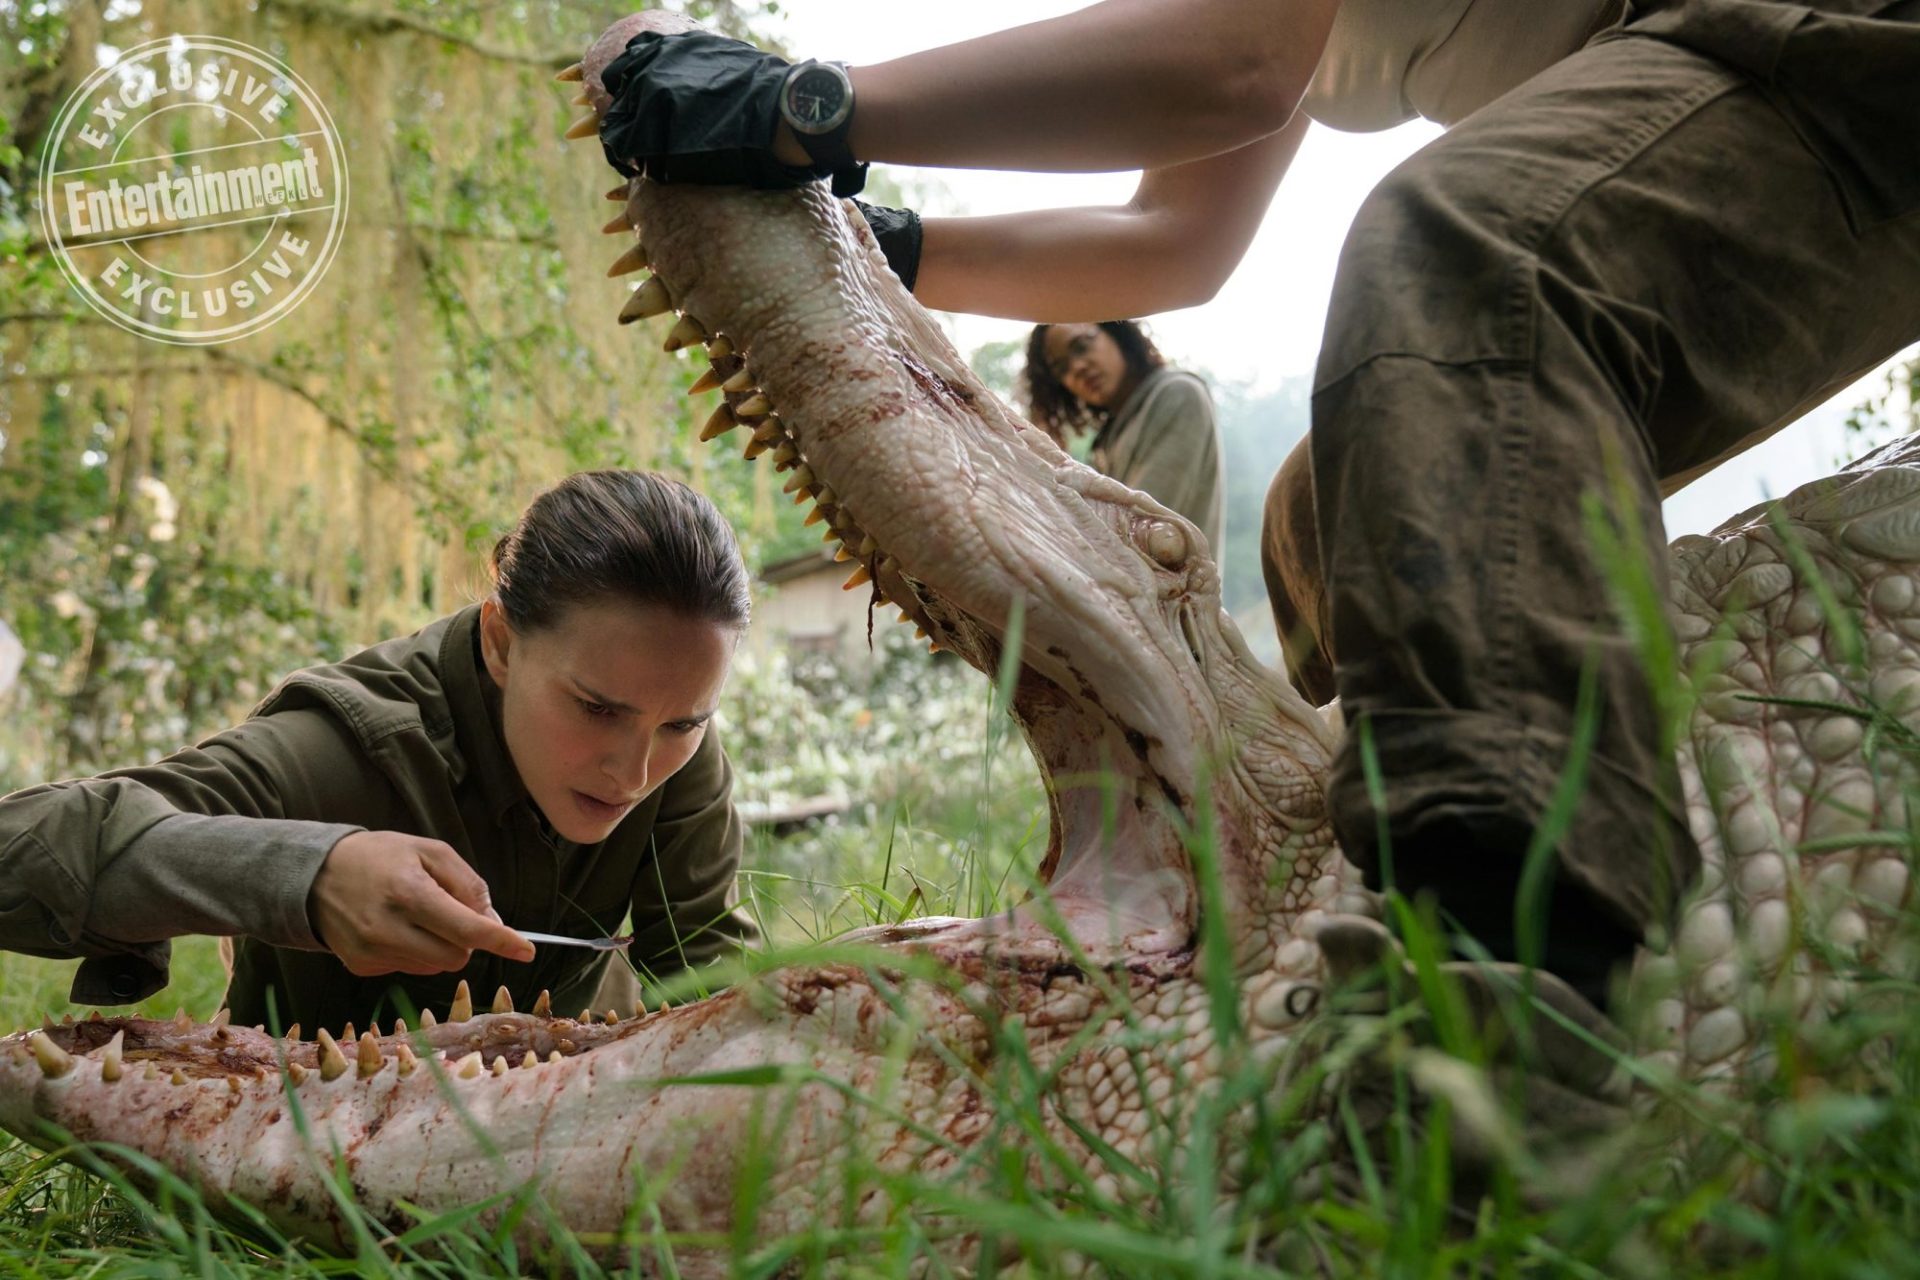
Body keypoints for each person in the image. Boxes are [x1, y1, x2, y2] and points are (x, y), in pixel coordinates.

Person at [579, 0, 1920, 1018]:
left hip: (1828, 36)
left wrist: (806, 105)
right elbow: (1177, 242)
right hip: (1695, 96)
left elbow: (1232, 62)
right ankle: (1357, 857)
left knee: (1459, 252)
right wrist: (889, 250)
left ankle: (1503, 992)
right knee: (1330, 510)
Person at [0, 470, 755, 1032]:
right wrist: (307, 876)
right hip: (296, 1160)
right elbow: (16, 849)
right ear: (500, 640)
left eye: (683, 724)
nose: (635, 772)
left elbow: (710, 983)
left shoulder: (675, 743)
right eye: (596, 709)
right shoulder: (347, 746)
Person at [1025, 320, 1225, 553]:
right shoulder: (1111, 434)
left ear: (1116, 332)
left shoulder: (1178, 394)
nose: (1077, 367)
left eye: (1081, 346)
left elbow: (1141, 529)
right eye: (1062, 368)